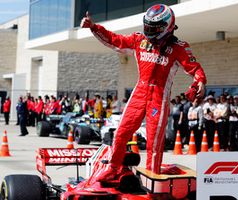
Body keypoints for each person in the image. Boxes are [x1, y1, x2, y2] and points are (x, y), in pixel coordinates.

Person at [81, 4, 206, 181]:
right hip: (139, 92)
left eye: (153, 28)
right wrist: (94, 27)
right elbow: (114, 40)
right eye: (147, 26)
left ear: (166, 26)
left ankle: (152, 176)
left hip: (159, 97)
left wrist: (200, 81)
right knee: (121, 132)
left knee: (154, 141)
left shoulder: (179, 47)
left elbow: (195, 69)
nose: (149, 30)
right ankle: (114, 168)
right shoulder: (139, 39)